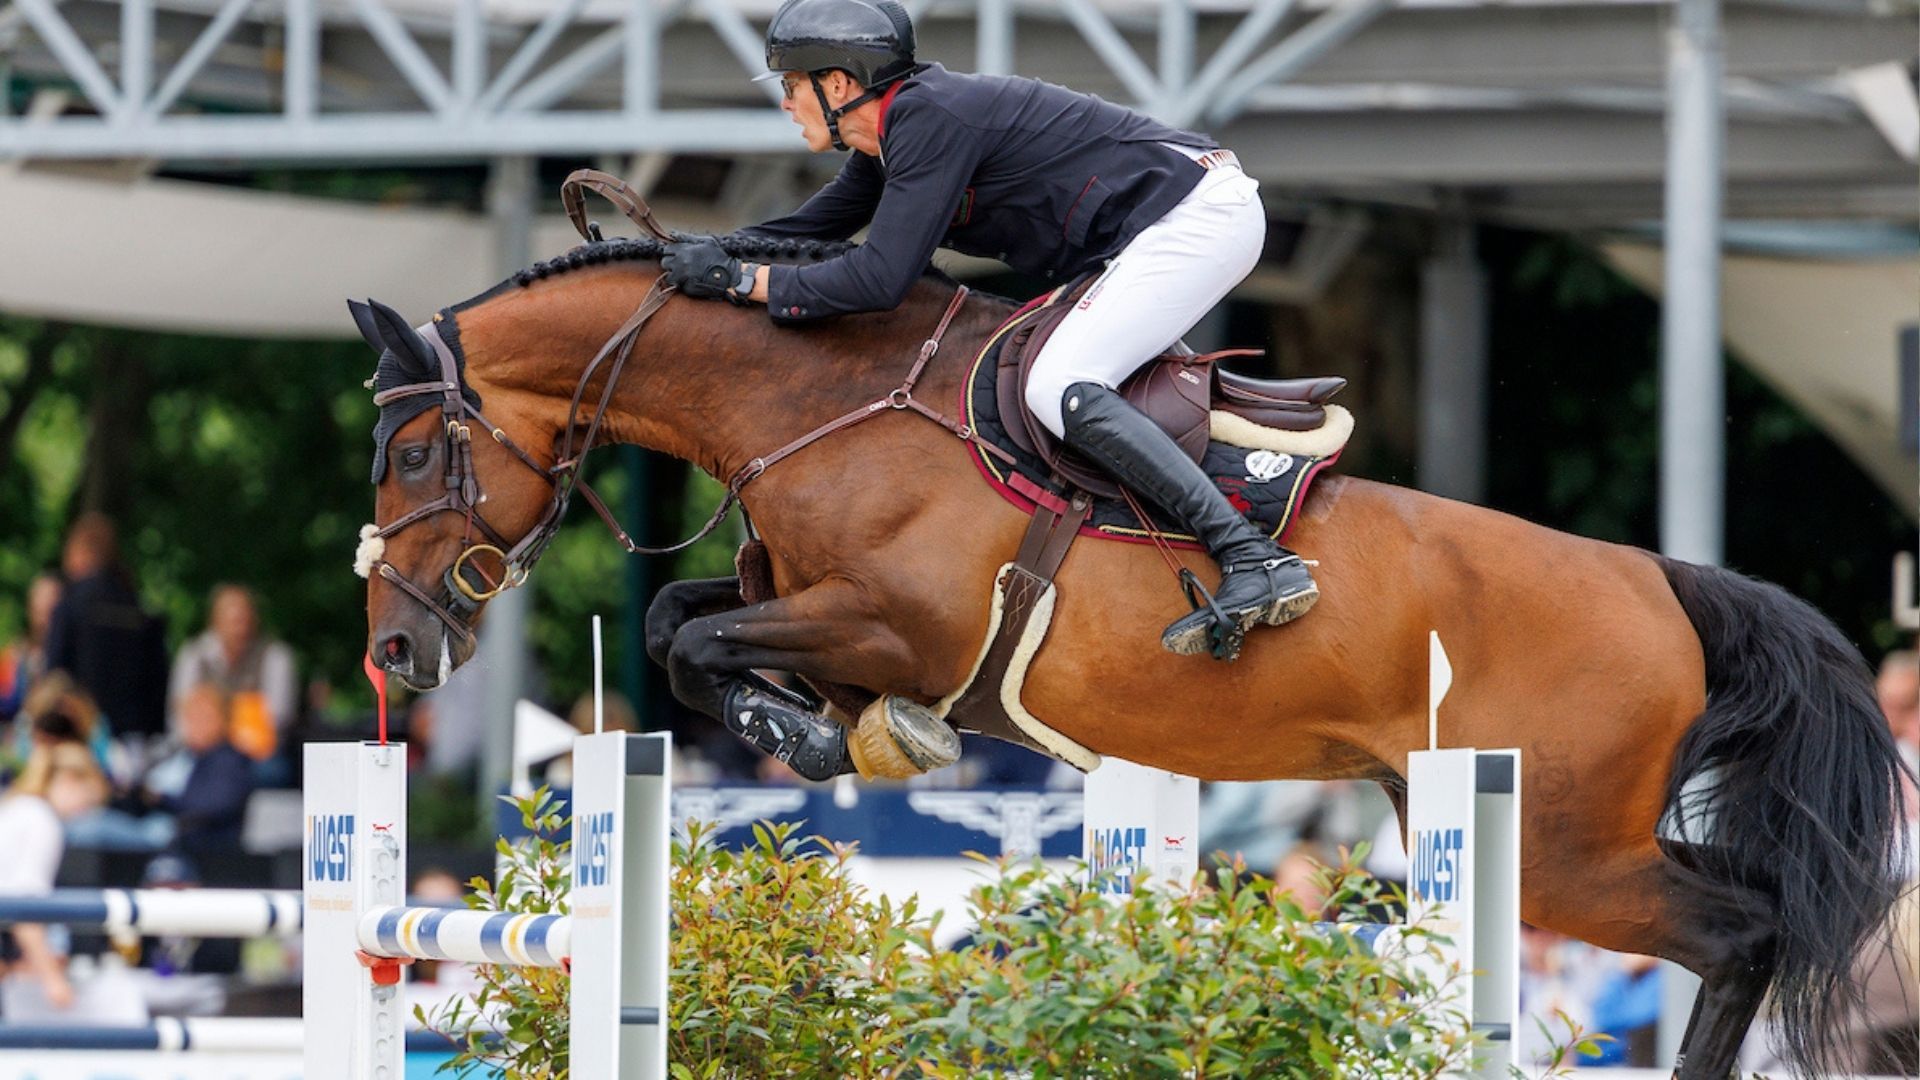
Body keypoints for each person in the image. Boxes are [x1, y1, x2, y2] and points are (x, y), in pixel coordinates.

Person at [658, 0, 1317, 668]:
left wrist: (741, 282)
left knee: (1059, 383)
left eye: (791, 86)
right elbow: (808, 231)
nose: (785, 104)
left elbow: (879, 280)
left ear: (838, 85)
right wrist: (686, 256)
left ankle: (1251, 556)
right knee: (1040, 374)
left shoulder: (927, 119)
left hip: (1195, 219)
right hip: (1157, 226)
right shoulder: (895, 136)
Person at [0, 740, 111, 1014]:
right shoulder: (41, 820)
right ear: (70, 780)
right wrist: (54, 981)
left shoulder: (20, 810)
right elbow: (26, 911)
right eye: (87, 800)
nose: (83, 812)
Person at [42, 513, 169, 741]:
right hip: (134, 734)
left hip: (81, 731)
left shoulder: (70, 606)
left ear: (80, 552)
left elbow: (56, 676)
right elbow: (157, 683)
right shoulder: (137, 607)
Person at [168, 585, 297, 781]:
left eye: (244, 620)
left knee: (272, 772)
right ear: (215, 622)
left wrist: (218, 721)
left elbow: (279, 716)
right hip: (201, 751)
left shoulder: (275, 656)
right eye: (233, 622)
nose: (240, 629)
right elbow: (179, 715)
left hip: (256, 756)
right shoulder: (195, 655)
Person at [147, 685, 254, 855]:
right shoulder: (181, 755)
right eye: (191, 718)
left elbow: (213, 805)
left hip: (206, 848)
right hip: (168, 836)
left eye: (205, 718)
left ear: (223, 720)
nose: (196, 725)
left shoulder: (229, 760)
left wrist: (161, 798)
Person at [0, 573, 61, 724]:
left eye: (50, 612)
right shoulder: (14, 655)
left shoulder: (73, 659)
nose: (44, 620)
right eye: (39, 611)